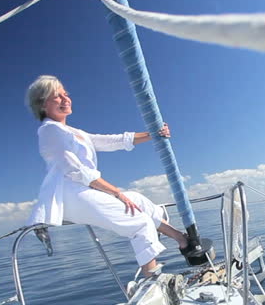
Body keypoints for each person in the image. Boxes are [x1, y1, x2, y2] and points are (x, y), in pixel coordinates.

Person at [24, 75, 188, 279]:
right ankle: (152, 282)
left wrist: (152, 134)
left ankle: (182, 240)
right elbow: (75, 170)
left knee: (137, 200)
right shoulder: (49, 130)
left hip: (82, 188)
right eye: (57, 96)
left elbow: (110, 141)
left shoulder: (71, 131)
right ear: (42, 104)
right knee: (140, 223)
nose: (65, 99)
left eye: (66, 94)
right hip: (70, 193)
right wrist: (117, 193)